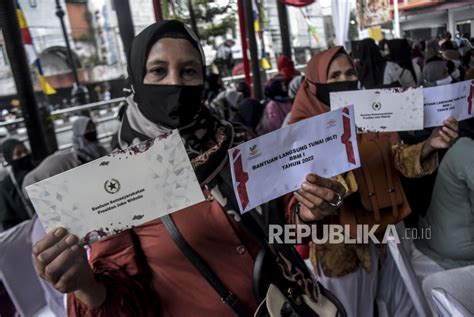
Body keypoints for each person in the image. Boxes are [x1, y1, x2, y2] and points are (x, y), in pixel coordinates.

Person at [32, 20, 333, 316]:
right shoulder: (118, 179)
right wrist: (85, 284)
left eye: (188, 71)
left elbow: (281, 221)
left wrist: (306, 213)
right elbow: (121, 298)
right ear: (137, 77)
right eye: (158, 71)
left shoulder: (237, 140)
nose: (174, 83)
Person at [288, 46, 459, 316]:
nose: (344, 81)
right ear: (315, 84)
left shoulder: (369, 113)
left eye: (349, 73)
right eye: (334, 76)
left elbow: (396, 158)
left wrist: (429, 145)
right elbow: (295, 208)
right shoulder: (299, 133)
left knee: (399, 307)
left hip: (385, 237)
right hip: (340, 250)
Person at [22, 116, 107, 189]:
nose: (92, 131)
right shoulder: (70, 158)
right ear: (78, 132)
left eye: (93, 127)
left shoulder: (101, 150)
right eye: (88, 129)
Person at [0, 138, 34, 231]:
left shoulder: (39, 170)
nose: (24, 155)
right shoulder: (6, 186)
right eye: (18, 154)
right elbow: (7, 221)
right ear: (8, 158)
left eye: (25, 151)